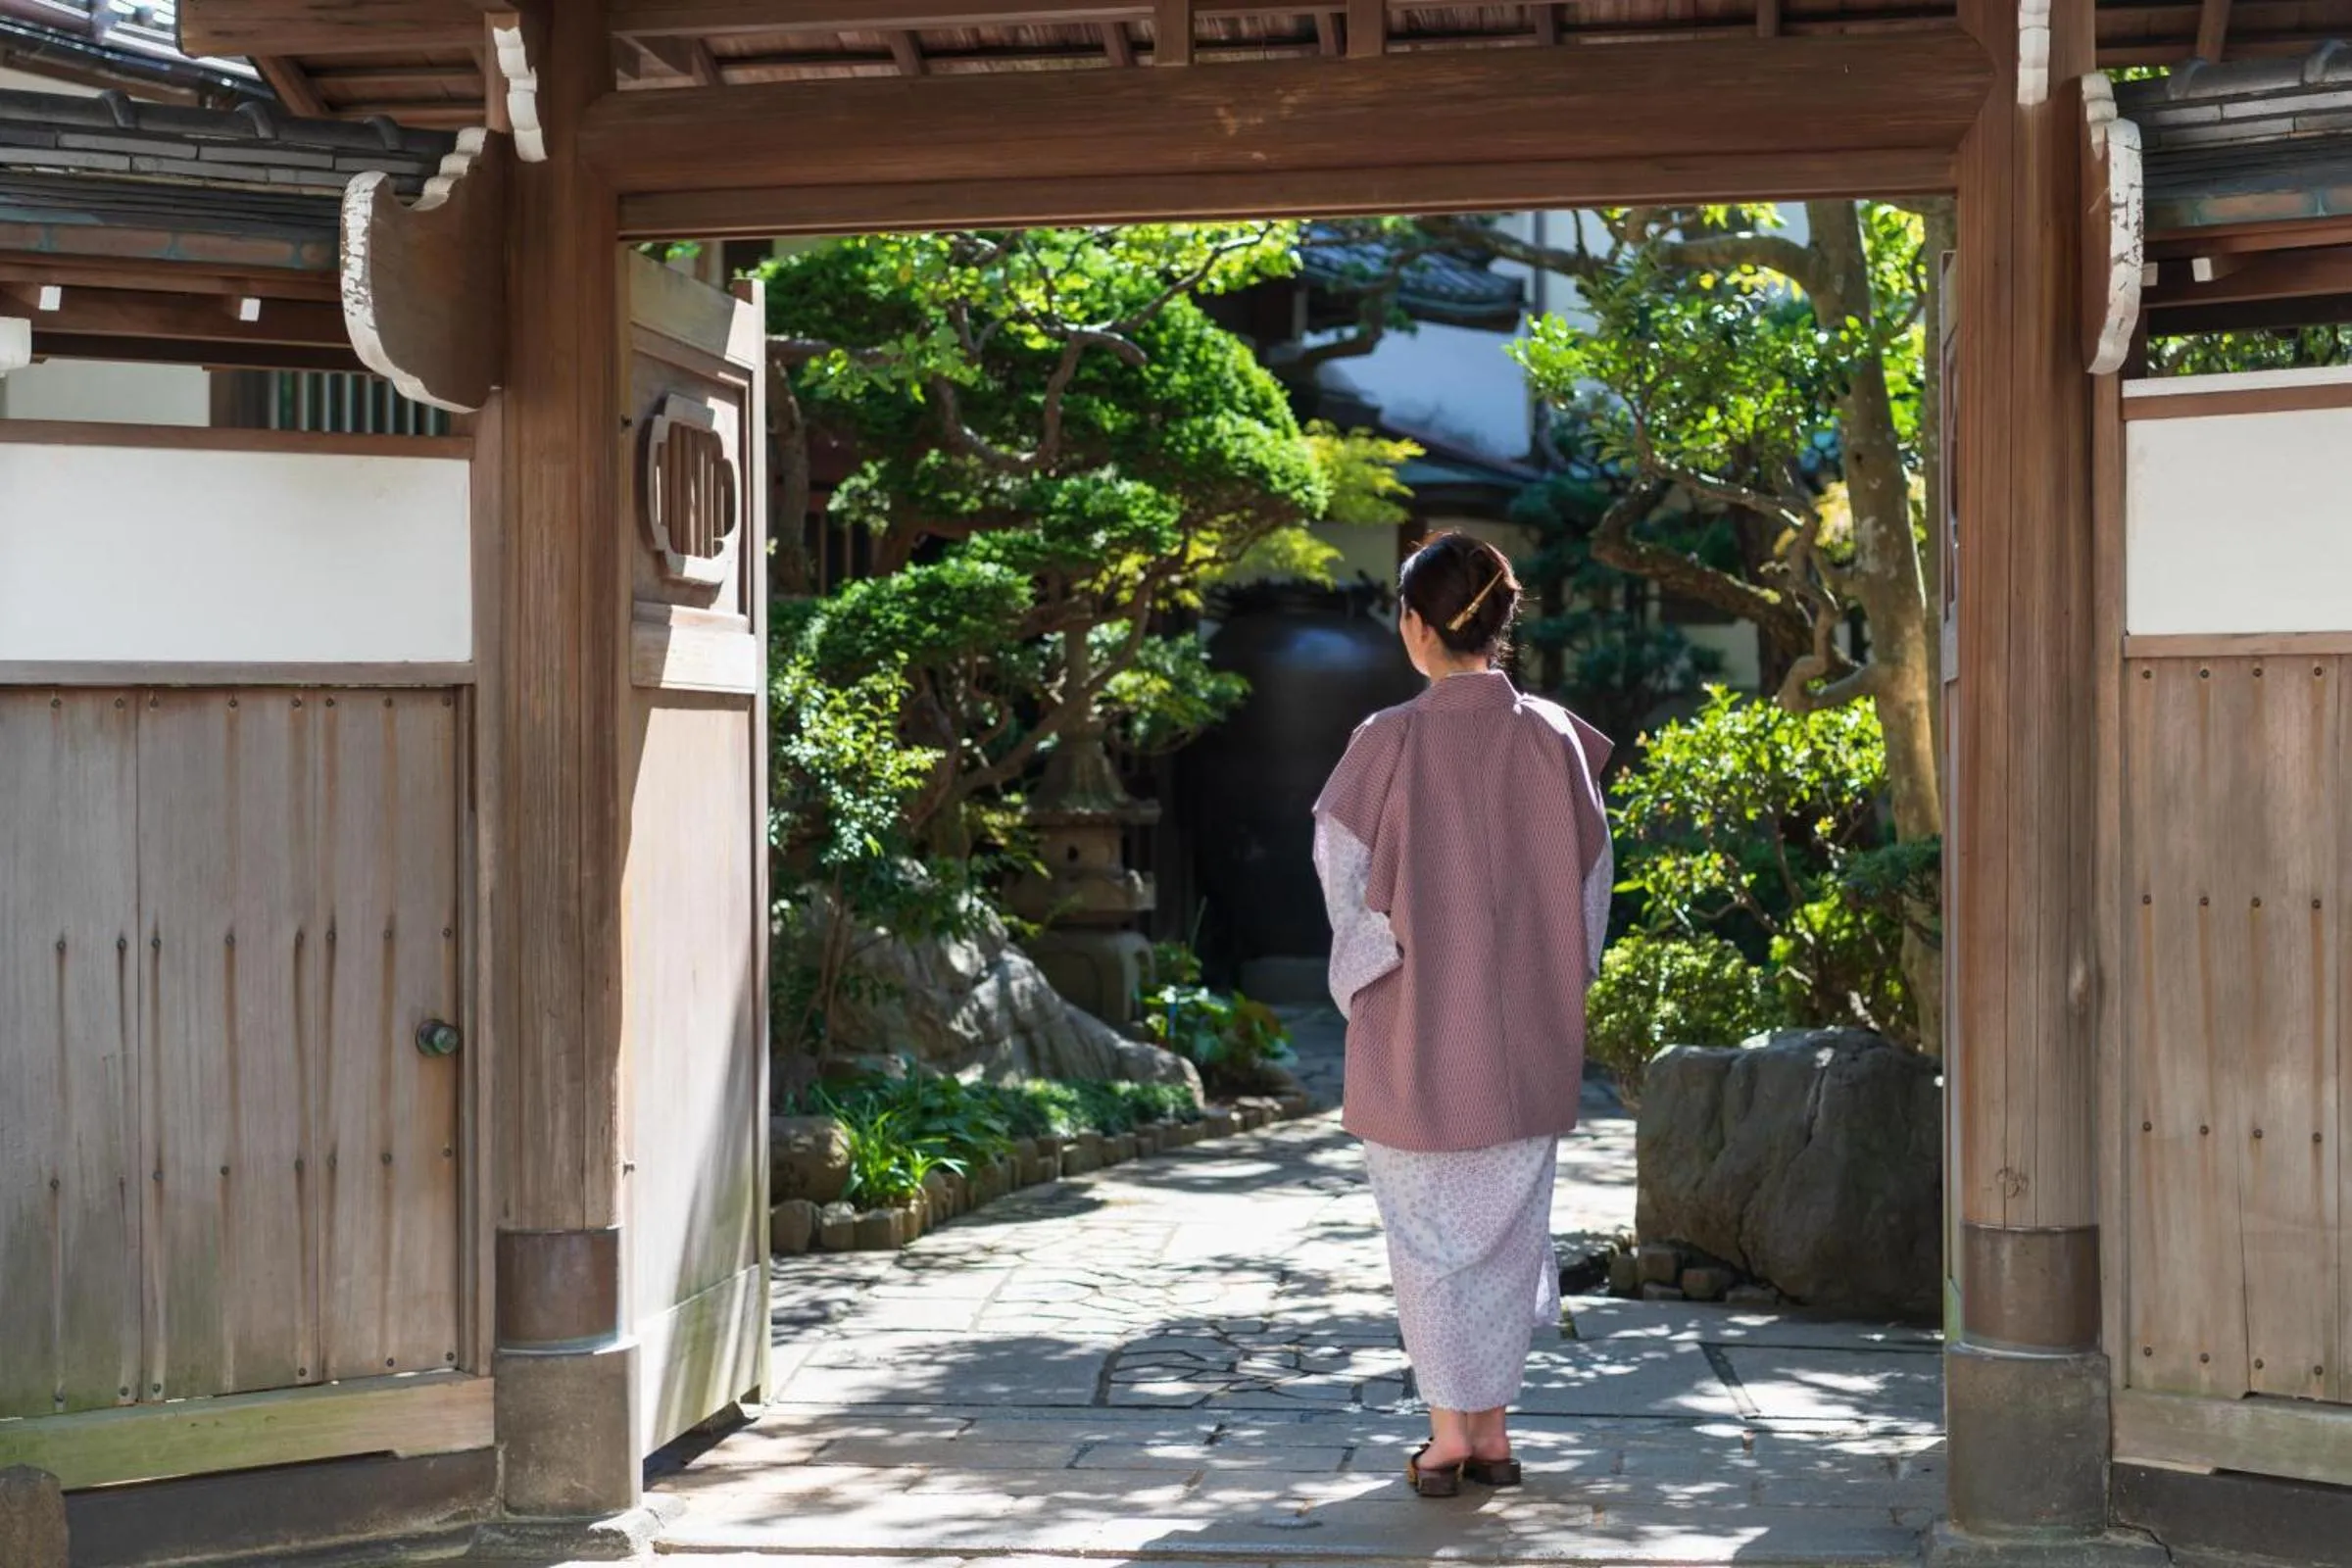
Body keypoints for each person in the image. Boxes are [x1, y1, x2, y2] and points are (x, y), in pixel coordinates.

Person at [1310, 530, 1613, 1500]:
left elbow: (1343, 877)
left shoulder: (1384, 742)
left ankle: (1449, 1438)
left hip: (1410, 1030)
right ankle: (1490, 1431)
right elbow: (1590, 886)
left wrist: (1367, 968)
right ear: (1500, 623)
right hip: (1524, 1032)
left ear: (1414, 624)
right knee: (1507, 1233)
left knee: (1428, 1238)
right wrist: (1559, 977)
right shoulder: (1554, 738)